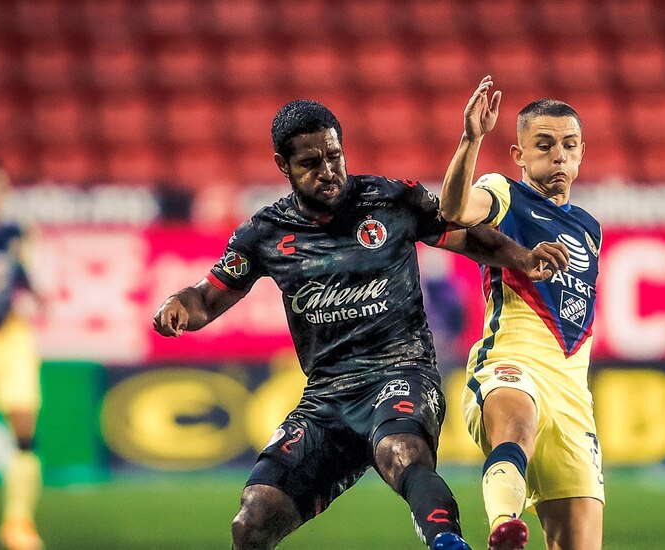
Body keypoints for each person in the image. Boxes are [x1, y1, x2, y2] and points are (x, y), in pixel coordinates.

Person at [151, 99, 570, 550]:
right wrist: (179, 306)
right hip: (326, 398)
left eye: (334, 156)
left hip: (402, 373)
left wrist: (524, 258)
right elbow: (207, 297)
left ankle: (449, 544)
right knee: (252, 519)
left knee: (402, 454)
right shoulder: (264, 233)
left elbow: (468, 237)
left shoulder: (391, 200)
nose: (328, 170)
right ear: (283, 165)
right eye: (311, 163)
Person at [439, 76, 604, 550]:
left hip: (573, 395)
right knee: (517, 424)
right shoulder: (503, 192)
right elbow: (453, 210)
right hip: (511, 362)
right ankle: (504, 526)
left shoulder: (591, 229)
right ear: (519, 155)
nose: (558, 156)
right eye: (545, 145)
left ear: (581, 152)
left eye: (569, 146)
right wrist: (472, 139)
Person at [0, 160, 44, 550]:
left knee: (24, 426)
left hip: (13, 331)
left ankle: (18, 523)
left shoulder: (17, 231)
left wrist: (37, 289)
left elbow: (32, 280)